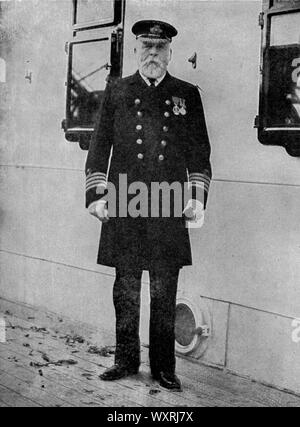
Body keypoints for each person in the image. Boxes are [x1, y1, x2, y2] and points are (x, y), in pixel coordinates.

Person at [85, 20, 212, 391]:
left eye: (160, 47)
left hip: (167, 205)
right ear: (136, 50)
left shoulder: (186, 94)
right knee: (124, 287)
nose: (152, 54)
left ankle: (163, 367)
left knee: (163, 289)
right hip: (125, 200)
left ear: (170, 52)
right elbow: (99, 148)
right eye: (146, 47)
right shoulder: (117, 91)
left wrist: (195, 198)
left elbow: (199, 152)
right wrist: (96, 194)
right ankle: (125, 359)